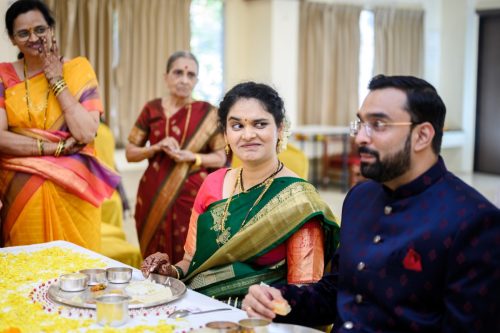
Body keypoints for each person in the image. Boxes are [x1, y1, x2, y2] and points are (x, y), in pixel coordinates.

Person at [242, 75, 500, 332]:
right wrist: (281, 299)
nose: (360, 138)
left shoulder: (474, 221)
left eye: (378, 124)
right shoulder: (360, 198)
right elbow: (338, 292)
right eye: (360, 124)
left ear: (422, 135)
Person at [141, 82, 340, 307]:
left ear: (280, 129)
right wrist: (171, 271)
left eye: (260, 124)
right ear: (225, 134)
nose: (248, 135)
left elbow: (304, 294)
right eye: (237, 126)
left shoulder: (299, 202)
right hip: (199, 306)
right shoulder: (213, 183)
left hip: (260, 319)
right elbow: (190, 262)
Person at [0, 0, 119, 250]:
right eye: (23, 33)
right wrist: (55, 148)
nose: (34, 37)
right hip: (21, 194)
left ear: (51, 30)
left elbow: (86, 131)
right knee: (30, 274)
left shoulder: (77, 69)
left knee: (77, 274)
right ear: (12, 39)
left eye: (40, 29)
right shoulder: (3, 76)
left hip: (73, 195)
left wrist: (56, 80)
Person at [126, 51, 227, 262]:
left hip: (190, 196)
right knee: (152, 255)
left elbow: (220, 157)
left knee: (188, 255)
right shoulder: (151, 109)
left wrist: (193, 157)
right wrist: (155, 148)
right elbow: (130, 153)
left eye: (191, 75)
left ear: (197, 80)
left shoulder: (208, 114)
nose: (184, 79)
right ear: (166, 76)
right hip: (152, 195)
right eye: (178, 72)